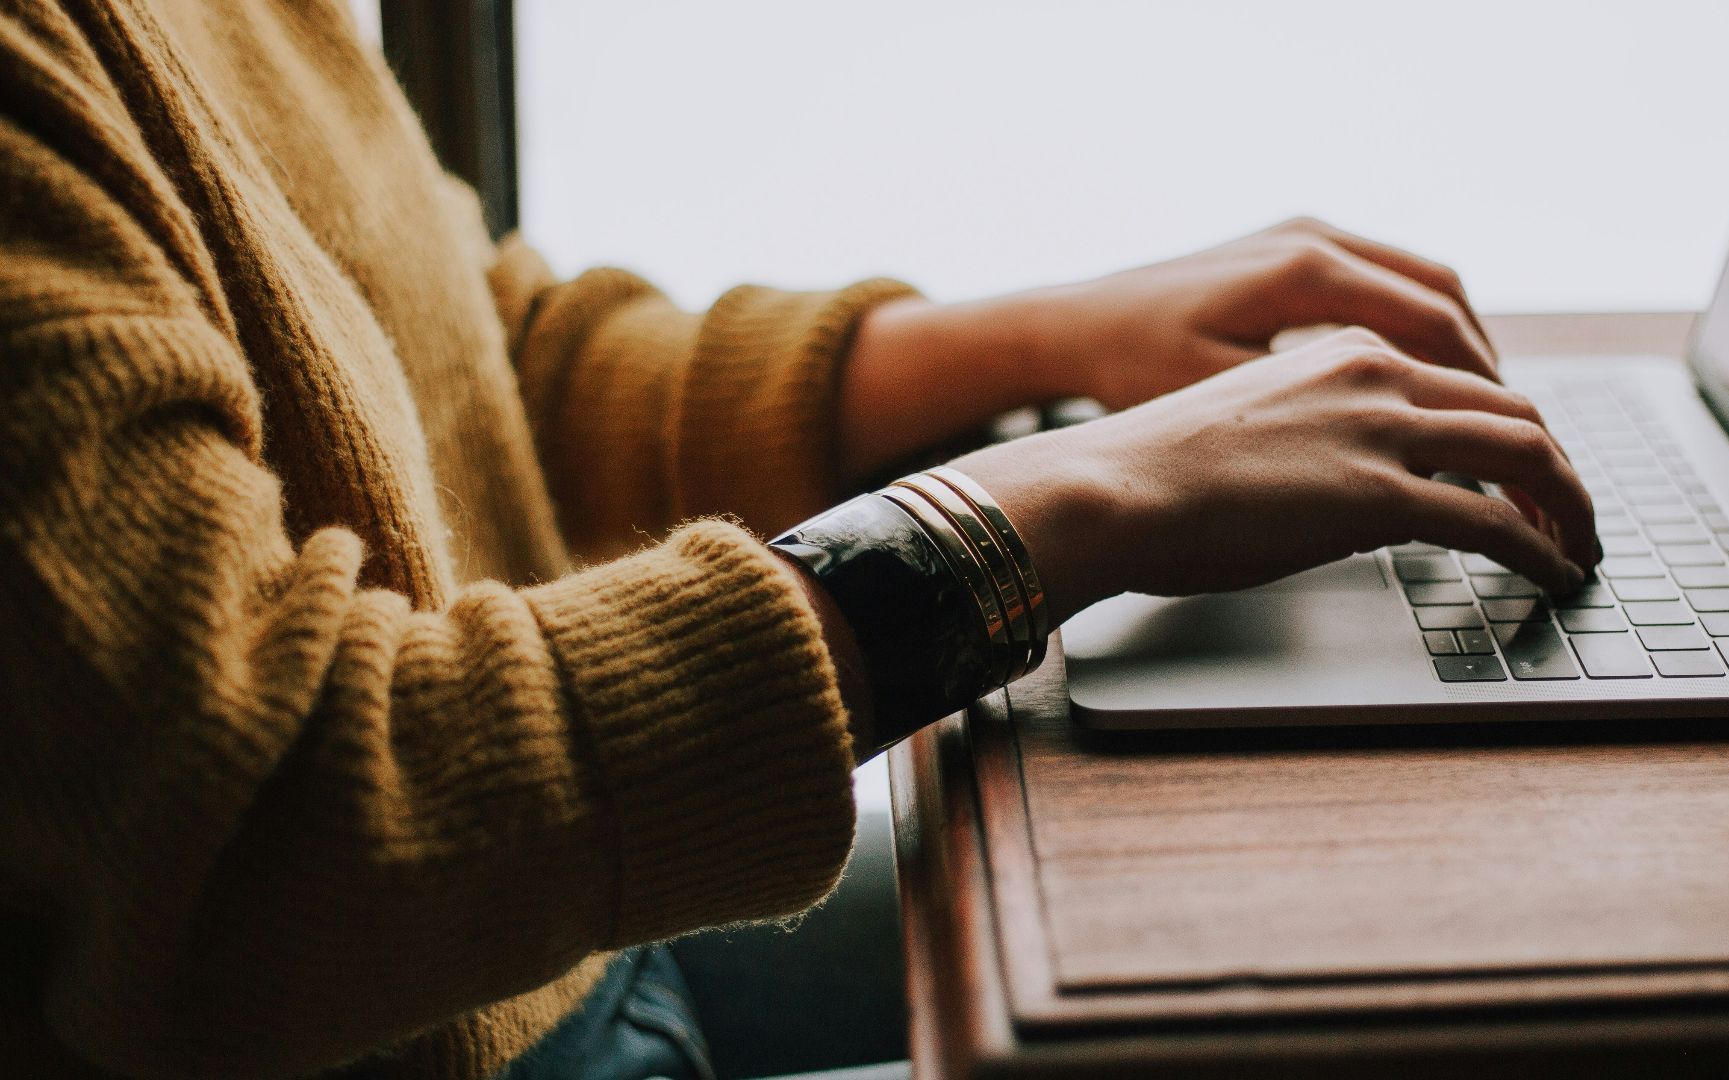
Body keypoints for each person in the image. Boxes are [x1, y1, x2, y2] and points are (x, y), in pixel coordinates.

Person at [0, 1, 1599, 1078]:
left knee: (1331, 897)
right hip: (435, 1013)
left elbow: (475, 367)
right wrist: (1059, 509)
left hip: (531, 950)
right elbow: (271, 836)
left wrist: (1047, 339)